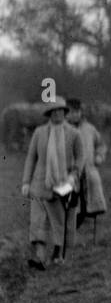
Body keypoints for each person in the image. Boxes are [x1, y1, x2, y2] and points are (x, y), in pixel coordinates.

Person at [20, 97, 85, 269]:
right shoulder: (40, 132)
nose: (57, 114)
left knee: (60, 222)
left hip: (62, 185)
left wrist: (74, 176)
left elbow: (80, 158)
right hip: (40, 184)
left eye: (60, 111)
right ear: (49, 114)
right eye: (53, 111)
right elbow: (31, 158)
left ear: (65, 112)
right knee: (38, 221)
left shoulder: (73, 134)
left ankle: (58, 252)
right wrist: (26, 182)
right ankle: (40, 258)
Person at [65, 98, 108, 233]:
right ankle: (68, 226)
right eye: (71, 112)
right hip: (70, 171)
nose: (75, 115)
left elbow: (100, 144)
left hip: (88, 169)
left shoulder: (89, 129)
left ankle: (82, 220)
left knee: (87, 199)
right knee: (69, 200)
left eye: (77, 112)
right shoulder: (63, 129)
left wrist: (99, 156)